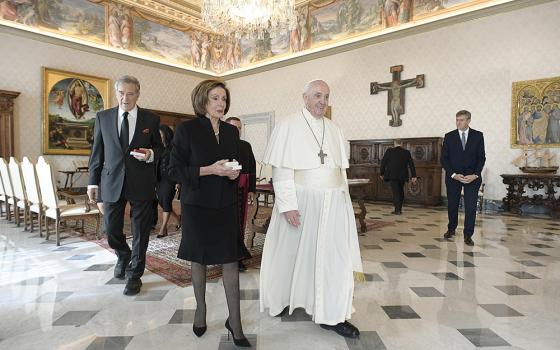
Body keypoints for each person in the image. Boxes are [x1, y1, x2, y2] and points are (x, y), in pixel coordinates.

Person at [259, 80, 363, 338]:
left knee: (334, 258)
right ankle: (283, 298)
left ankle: (333, 314)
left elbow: (340, 172)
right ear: (304, 97)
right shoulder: (288, 125)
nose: (322, 101)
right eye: (317, 95)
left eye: (326, 97)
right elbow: (282, 170)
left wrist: (345, 204)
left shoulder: (335, 129)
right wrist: (288, 205)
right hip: (301, 203)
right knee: (291, 254)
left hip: (334, 204)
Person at [168, 80, 251, 347]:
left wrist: (232, 171)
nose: (220, 104)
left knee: (230, 260)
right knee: (199, 259)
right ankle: (201, 311)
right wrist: (209, 169)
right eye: (215, 98)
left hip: (226, 202)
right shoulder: (186, 129)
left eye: (224, 99)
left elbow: (231, 165)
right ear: (203, 100)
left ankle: (235, 322)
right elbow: (174, 170)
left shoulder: (230, 132)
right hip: (197, 205)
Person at [88, 75, 163, 296]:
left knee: (141, 231)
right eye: (121, 93)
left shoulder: (151, 119)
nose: (125, 98)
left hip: (141, 182)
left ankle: (134, 274)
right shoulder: (103, 117)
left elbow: (161, 150)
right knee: (111, 229)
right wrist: (93, 180)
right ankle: (122, 254)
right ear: (116, 93)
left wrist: (150, 154)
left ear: (138, 95)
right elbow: (97, 152)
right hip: (111, 181)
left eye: (130, 93)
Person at [441, 110, 486, 246]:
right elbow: (444, 159)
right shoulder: (449, 136)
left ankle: (468, 235)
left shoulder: (478, 136)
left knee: (471, 207)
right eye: (457, 120)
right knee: (453, 205)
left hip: (472, 178)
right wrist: (453, 174)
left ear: (468, 121)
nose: (458, 122)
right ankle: (451, 229)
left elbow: (481, 158)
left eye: (461, 120)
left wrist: (475, 174)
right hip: (453, 177)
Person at [226, 116, 256, 272]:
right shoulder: (220, 145)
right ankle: (224, 255)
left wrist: (251, 189)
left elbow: (251, 168)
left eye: (239, 128)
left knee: (239, 224)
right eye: (233, 127)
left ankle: (238, 258)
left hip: (241, 191)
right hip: (223, 191)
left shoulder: (246, 146)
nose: (236, 130)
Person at [155, 124, 180, 238]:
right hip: (159, 179)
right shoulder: (157, 147)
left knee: (165, 202)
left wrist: (178, 182)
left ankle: (163, 228)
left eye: (160, 134)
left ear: (166, 134)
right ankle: (179, 218)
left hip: (170, 180)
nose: (159, 136)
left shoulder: (174, 148)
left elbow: (178, 165)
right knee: (162, 202)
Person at [379, 139, 417, 214]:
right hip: (403, 175)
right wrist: (414, 176)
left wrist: (381, 173)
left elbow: (383, 162)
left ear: (394, 143)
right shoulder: (406, 152)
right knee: (400, 191)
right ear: (401, 144)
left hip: (392, 175)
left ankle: (397, 210)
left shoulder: (389, 151)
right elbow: (411, 164)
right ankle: (399, 208)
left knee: (396, 192)